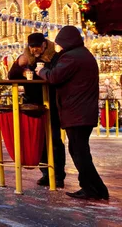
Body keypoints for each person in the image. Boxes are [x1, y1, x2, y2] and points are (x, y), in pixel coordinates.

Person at [36, 26, 109, 200]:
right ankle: (92, 187)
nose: (59, 46)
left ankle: (96, 188)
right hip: (82, 111)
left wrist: (41, 71)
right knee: (80, 150)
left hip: (77, 111)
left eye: (61, 43)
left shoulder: (71, 57)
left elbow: (54, 77)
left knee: (79, 151)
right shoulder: (83, 54)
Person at [9, 33, 66, 188]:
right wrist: (18, 65)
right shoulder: (27, 58)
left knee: (54, 139)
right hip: (32, 104)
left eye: (37, 47)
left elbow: (57, 77)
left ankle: (58, 175)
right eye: (32, 47)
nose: (35, 50)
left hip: (51, 104)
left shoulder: (54, 57)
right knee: (39, 140)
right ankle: (46, 173)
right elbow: (11, 76)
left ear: (44, 45)